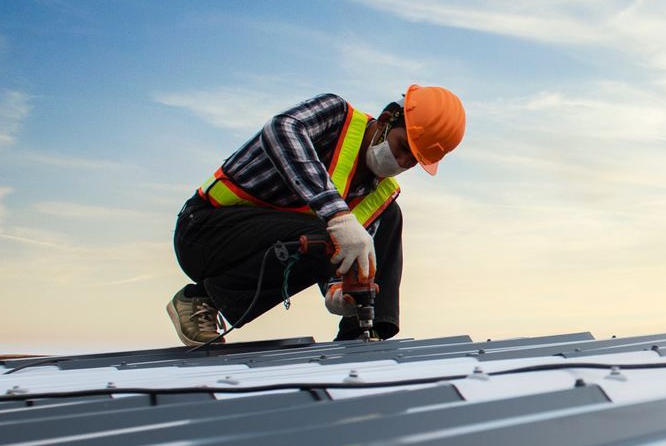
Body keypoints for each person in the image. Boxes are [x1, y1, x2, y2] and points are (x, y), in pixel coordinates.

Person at [167, 86, 465, 346]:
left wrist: (341, 291)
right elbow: (281, 130)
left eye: (412, 162)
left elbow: (337, 252)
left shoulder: (378, 194)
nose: (401, 162)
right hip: (205, 233)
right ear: (387, 121)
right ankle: (199, 298)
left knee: (389, 217)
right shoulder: (336, 117)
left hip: (274, 245)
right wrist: (338, 216)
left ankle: (363, 330)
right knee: (329, 230)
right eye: (402, 147)